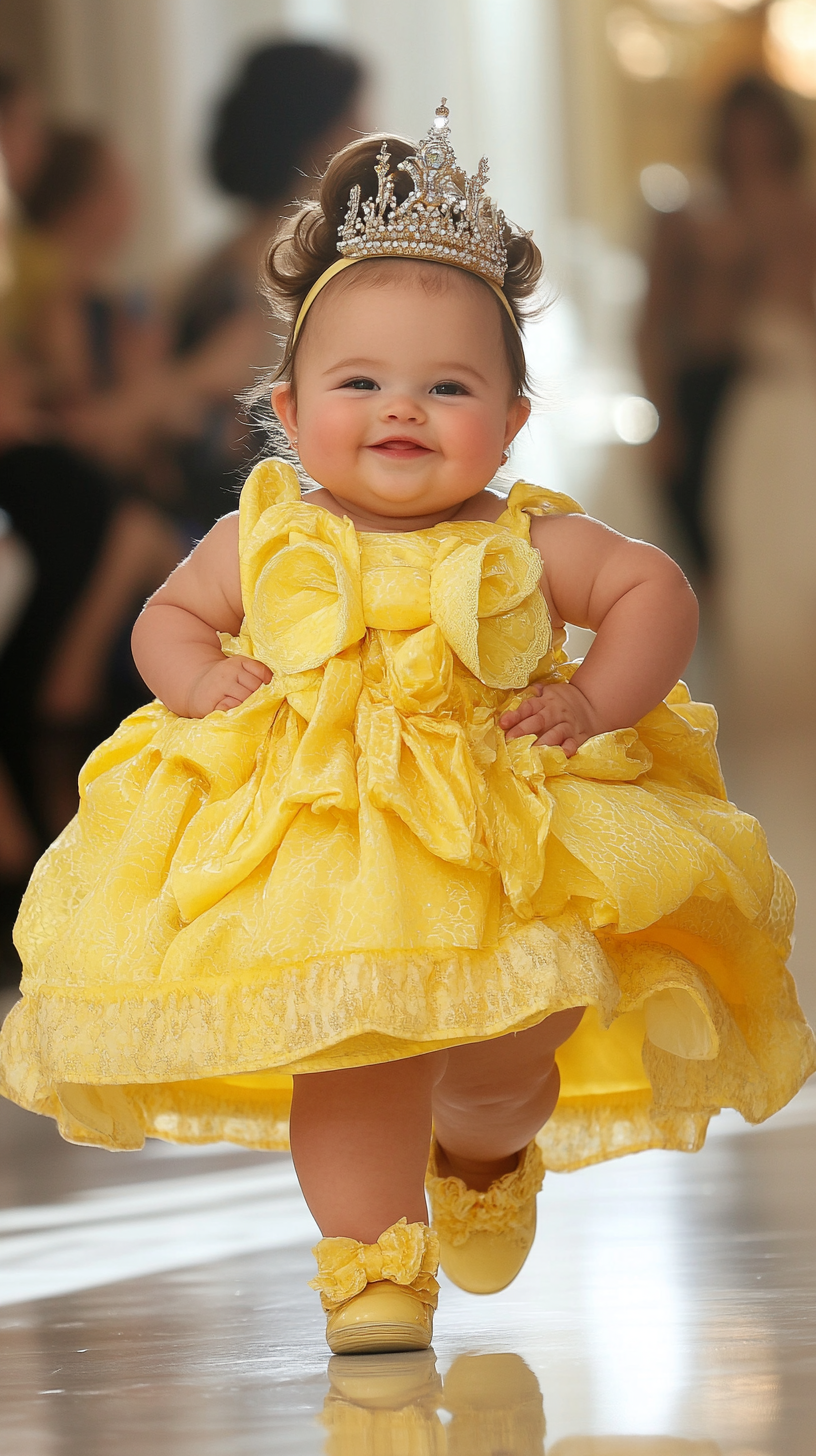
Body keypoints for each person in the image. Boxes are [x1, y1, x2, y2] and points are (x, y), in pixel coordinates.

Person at [1, 107, 813, 1357]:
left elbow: (654, 587)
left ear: (514, 416)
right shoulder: (267, 533)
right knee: (353, 1057)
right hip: (318, 838)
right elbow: (169, 614)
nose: (403, 411)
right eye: (360, 383)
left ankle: (487, 1141)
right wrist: (198, 680)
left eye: (448, 387)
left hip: (494, 835)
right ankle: (370, 1269)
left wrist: (596, 701)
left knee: (497, 1052)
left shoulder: (521, 536)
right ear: (286, 402)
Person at [638, 76, 810, 581]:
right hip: (699, 387)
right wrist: (662, 413)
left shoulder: (797, 213)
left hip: (763, 389)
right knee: (704, 546)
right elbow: (651, 325)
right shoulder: (686, 218)